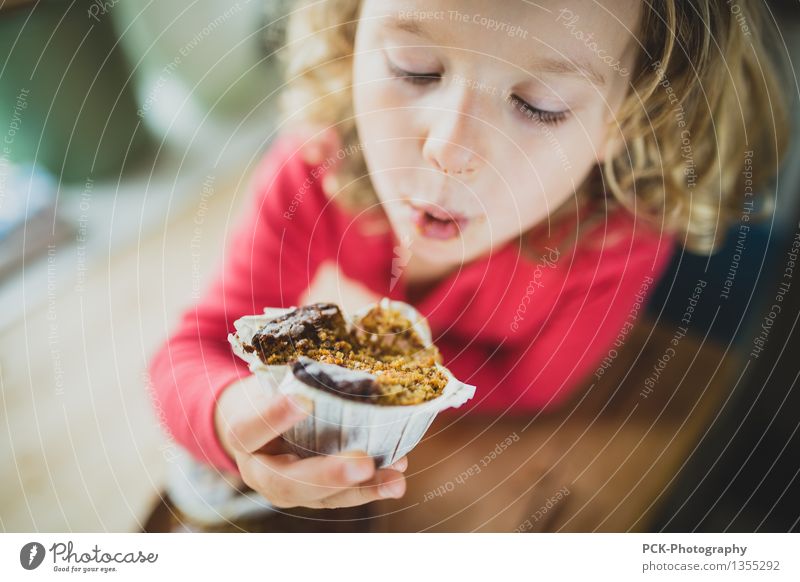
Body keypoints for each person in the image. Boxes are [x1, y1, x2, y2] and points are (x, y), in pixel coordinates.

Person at [148, 0, 787, 520]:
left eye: (540, 104)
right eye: (415, 67)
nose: (450, 148)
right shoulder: (314, 172)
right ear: (350, 39)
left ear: (621, 119)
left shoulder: (620, 240)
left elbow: (538, 384)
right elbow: (194, 347)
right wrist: (232, 422)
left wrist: (366, 381)